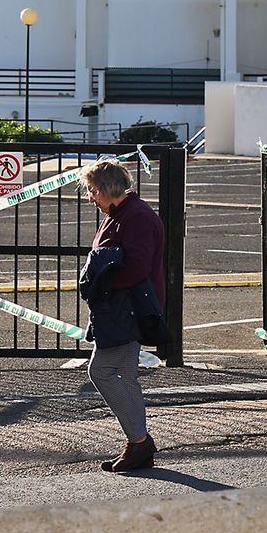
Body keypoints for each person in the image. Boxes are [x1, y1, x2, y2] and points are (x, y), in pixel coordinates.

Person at [78, 159, 165, 472]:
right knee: (126, 376)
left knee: (100, 372)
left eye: (92, 191)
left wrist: (101, 285)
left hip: (125, 309)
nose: (90, 198)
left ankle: (140, 441)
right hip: (120, 307)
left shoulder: (137, 217)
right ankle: (138, 446)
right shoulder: (120, 214)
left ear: (105, 189)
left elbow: (137, 267)